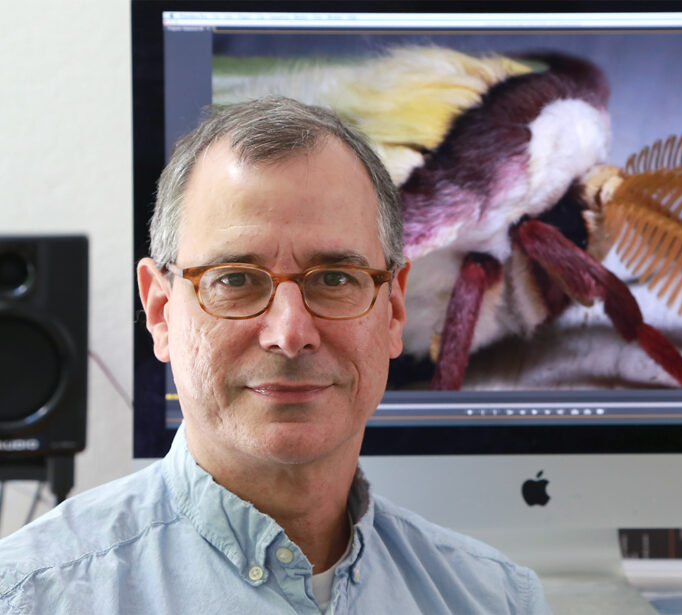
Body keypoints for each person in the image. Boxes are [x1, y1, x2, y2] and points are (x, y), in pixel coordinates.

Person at [0, 97, 550, 614]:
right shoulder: (31, 597)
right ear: (161, 311)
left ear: (395, 309)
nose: (290, 334)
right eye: (235, 279)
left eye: (336, 278)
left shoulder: (495, 600)